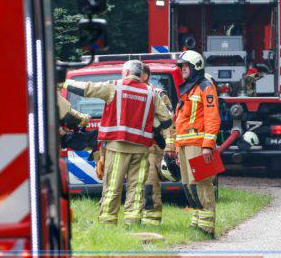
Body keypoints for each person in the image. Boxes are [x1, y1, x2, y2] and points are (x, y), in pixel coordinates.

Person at [63, 60, 173, 225]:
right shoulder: (151, 93)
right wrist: (154, 124)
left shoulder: (115, 87)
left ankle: (108, 222)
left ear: (127, 72)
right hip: (142, 149)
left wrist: (63, 82)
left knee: (113, 186)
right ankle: (132, 222)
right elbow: (167, 120)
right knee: (136, 188)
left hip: (117, 147)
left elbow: (87, 89)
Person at [174, 50, 221, 238]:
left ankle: (207, 227)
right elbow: (181, 120)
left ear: (196, 66)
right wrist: (177, 146)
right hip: (184, 144)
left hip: (199, 143)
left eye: (186, 66)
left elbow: (212, 117)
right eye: (182, 67)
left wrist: (208, 145)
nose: (183, 69)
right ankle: (197, 221)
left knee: (201, 183)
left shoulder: (205, 87)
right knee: (188, 185)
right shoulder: (188, 88)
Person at [140, 64, 176, 225]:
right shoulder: (129, 93)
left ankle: (152, 219)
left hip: (153, 146)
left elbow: (168, 122)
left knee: (150, 183)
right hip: (134, 146)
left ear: (145, 76)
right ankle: (136, 217)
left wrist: (169, 146)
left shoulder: (158, 94)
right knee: (136, 184)